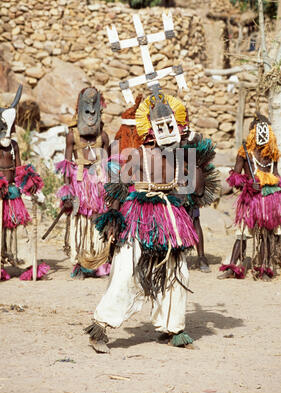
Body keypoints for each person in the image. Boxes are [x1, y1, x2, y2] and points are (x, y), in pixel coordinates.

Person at [84, 89, 214, 353]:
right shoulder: (138, 155)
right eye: (161, 126)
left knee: (176, 271)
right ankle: (100, 326)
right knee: (125, 271)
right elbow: (119, 186)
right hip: (138, 217)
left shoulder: (181, 157)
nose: (168, 131)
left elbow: (196, 193)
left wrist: (198, 158)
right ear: (150, 129)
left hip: (169, 218)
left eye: (172, 125)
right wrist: (113, 217)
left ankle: (173, 328)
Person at [218, 113, 281, 281]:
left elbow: (275, 174)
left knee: (267, 235)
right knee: (242, 233)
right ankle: (232, 267)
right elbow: (234, 176)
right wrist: (247, 184)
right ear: (252, 132)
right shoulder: (244, 153)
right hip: (250, 199)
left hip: (269, 199)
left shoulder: (271, 153)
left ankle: (263, 269)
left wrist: (279, 185)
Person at [56, 87, 111, 279]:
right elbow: (66, 163)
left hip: (98, 184)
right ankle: (80, 263)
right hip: (79, 183)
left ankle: (99, 261)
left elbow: (109, 165)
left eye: (94, 111)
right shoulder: (72, 136)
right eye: (86, 111)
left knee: (97, 220)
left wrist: (110, 189)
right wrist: (67, 193)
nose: (90, 115)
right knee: (80, 222)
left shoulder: (103, 137)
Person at [0, 85, 44, 281]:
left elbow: (18, 169)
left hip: (12, 195)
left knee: (19, 229)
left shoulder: (14, 146)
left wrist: (31, 187)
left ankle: (27, 263)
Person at [181, 123, 219, 273]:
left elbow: (198, 163)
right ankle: (179, 255)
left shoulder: (192, 137)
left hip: (192, 185)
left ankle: (201, 257)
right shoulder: (169, 139)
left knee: (195, 220)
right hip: (175, 185)